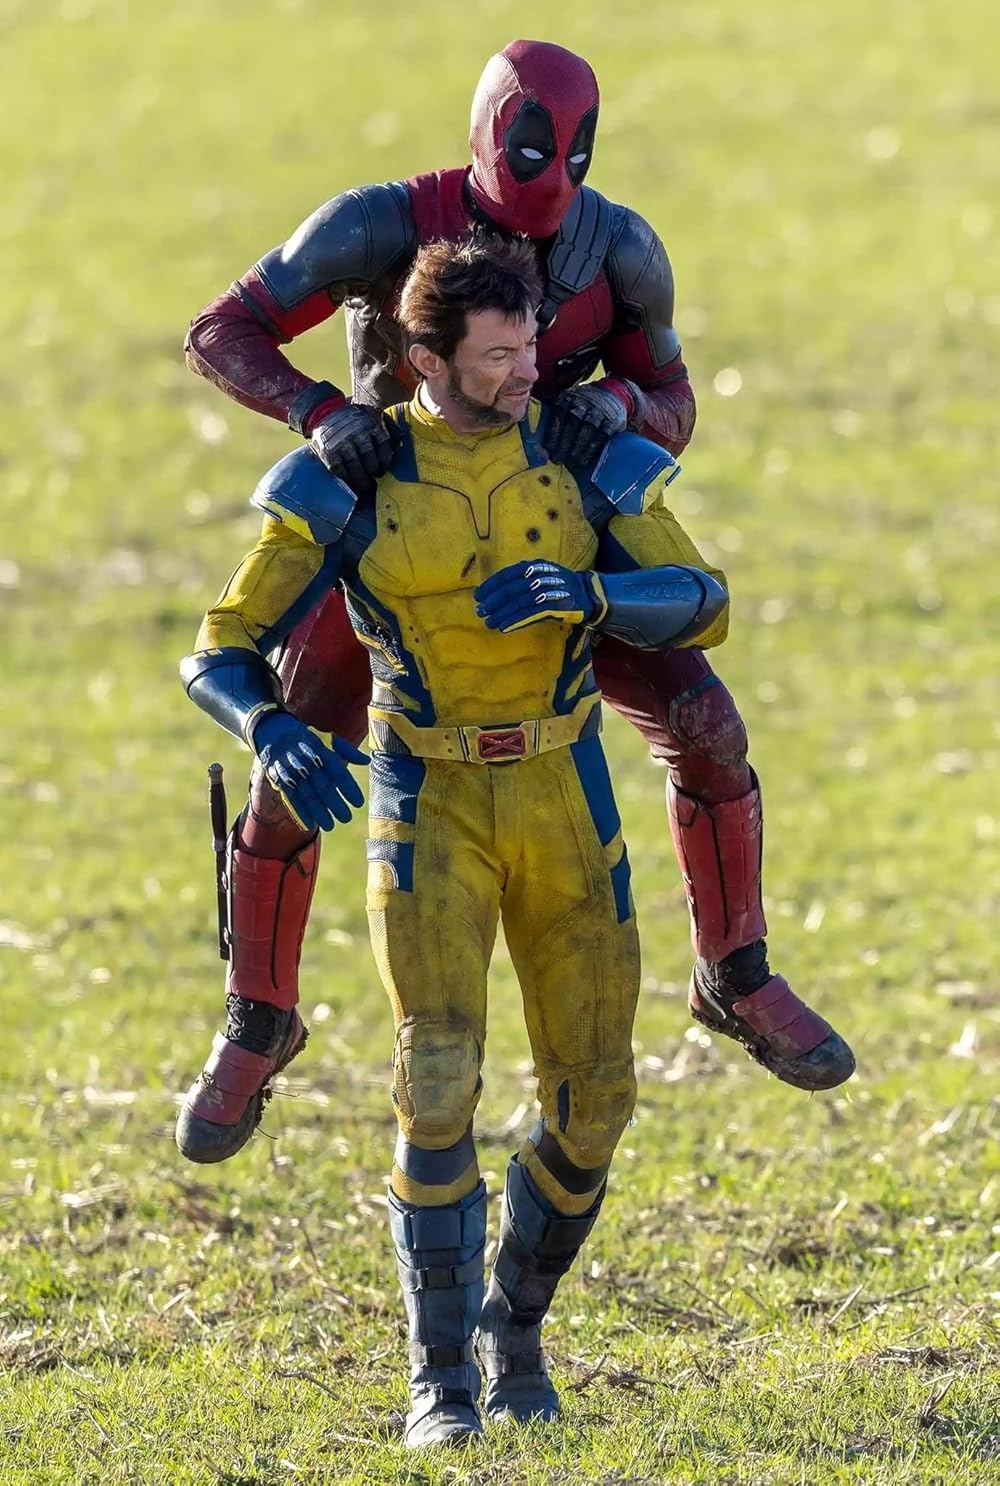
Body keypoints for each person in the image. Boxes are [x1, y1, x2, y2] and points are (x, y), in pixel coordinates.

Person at [178, 37, 853, 1166]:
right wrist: (321, 414)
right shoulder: (375, 226)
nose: (548, 180)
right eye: (530, 152)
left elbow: (675, 397)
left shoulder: (621, 249)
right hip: (388, 537)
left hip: (550, 534)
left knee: (706, 722)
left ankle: (734, 972)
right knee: (288, 756)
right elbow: (220, 330)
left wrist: (620, 407)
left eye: (568, 160)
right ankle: (257, 1018)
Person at [180, 236, 729, 1445]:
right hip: (424, 797)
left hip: (563, 794)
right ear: (424, 358)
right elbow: (217, 645)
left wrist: (592, 594)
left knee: (598, 1097)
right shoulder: (349, 477)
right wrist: (270, 726)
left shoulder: (581, 457)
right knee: (434, 1077)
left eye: (529, 344)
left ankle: (514, 1328)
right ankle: (438, 1380)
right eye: (498, 355)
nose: (528, 369)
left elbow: (704, 598)